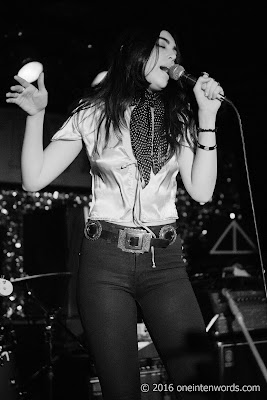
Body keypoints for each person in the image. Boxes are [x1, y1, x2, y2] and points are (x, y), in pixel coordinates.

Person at [6, 25, 224, 400]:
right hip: (105, 261)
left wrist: (207, 116)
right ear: (134, 52)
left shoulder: (181, 117)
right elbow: (33, 179)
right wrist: (35, 116)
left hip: (165, 262)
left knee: (199, 385)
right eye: (162, 46)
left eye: (176, 51)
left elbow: (202, 191)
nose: (173, 57)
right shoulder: (94, 112)